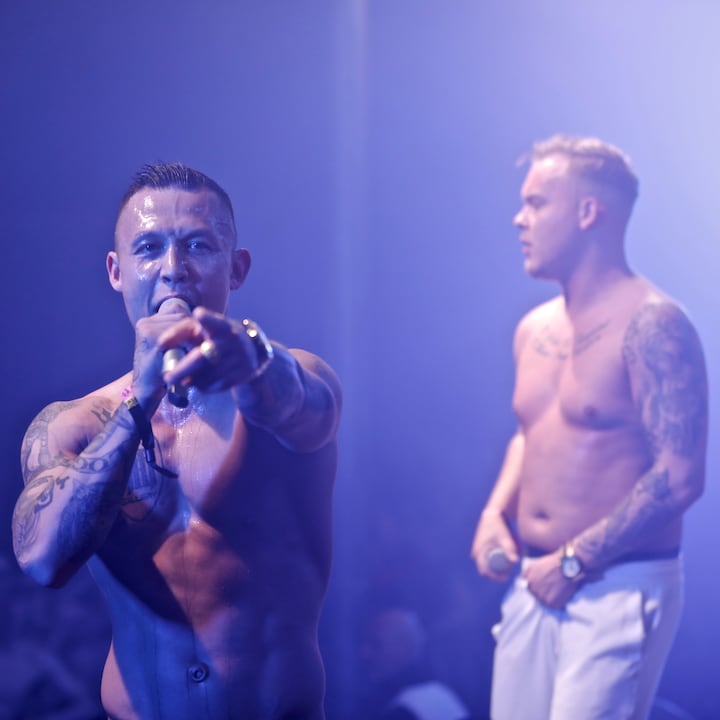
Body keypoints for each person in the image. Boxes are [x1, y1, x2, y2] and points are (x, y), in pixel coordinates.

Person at [12, 162, 342, 720]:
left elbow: (301, 407)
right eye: (148, 248)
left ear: (236, 268)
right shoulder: (74, 424)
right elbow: (44, 562)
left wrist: (253, 359)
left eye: (197, 246)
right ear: (116, 271)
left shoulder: (291, 375)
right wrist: (141, 399)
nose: (173, 270)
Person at [470, 135, 707, 720]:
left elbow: (680, 477)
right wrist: (495, 511)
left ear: (587, 212)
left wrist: (575, 561)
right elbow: (529, 433)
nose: (519, 218)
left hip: (616, 582)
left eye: (536, 202)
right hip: (535, 577)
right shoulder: (533, 328)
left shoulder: (654, 326)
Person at [356, 606, 471, 720]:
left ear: (405, 647)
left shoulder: (405, 710)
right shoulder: (440, 694)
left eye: (376, 644)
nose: (365, 653)